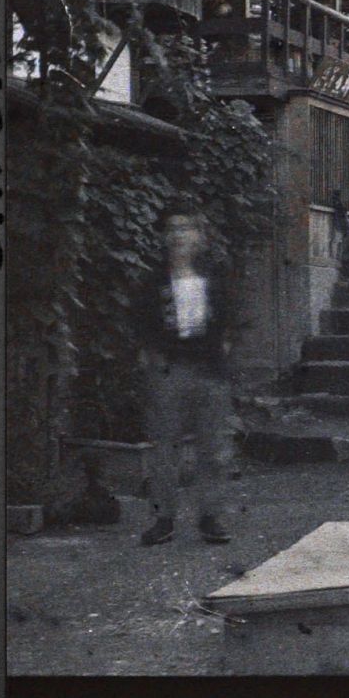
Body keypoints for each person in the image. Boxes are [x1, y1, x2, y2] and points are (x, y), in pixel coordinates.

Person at [138, 206, 233, 545]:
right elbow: (143, 326)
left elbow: (227, 321)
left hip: (210, 372)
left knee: (214, 450)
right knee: (164, 449)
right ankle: (164, 520)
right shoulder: (152, 280)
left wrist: (222, 353)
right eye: (173, 229)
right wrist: (155, 363)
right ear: (165, 237)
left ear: (199, 237)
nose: (179, 235)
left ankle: (211, 517)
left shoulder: (215, 277)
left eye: (186, 228)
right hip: (170, 372)